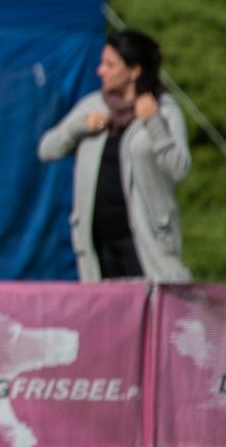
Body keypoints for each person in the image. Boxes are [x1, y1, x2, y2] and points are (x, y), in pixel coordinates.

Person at [38, 29, 191, 282]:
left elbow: (179, 169)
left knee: (150, 312)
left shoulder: (164, 110)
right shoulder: (93, 105)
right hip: (97, 240)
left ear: (134, 70)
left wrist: (153, 123)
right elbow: (46, 150)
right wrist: (81, 127)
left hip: (144, 238)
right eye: (102, 63)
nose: (101, 71)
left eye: (110, 65)